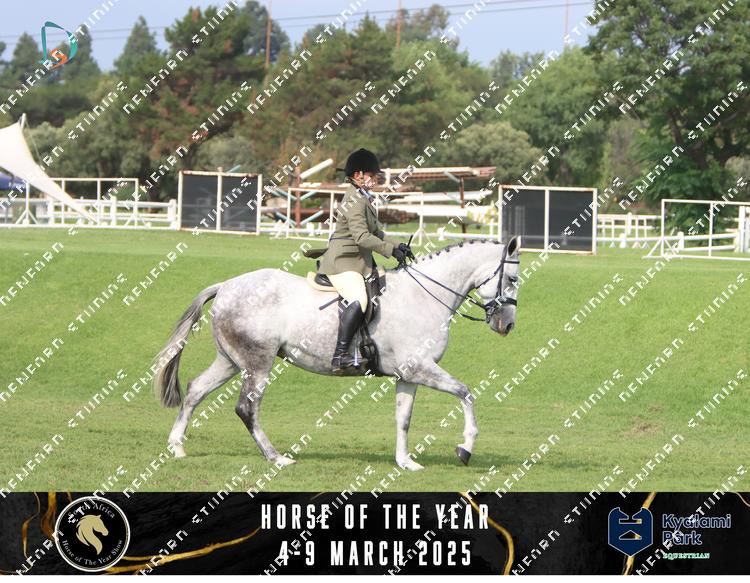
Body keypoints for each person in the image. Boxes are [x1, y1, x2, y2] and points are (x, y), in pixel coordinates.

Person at [318, 148, 413, 372]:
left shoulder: (363, 197)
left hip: (359, 261)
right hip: (344, 262)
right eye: (372, 175)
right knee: (359, 298)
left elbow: (376, 233)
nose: (376, 179)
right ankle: (340, 355)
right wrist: (390, 251)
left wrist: (398, 245)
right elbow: (361, 237)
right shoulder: (354, 199)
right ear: (358, 175)